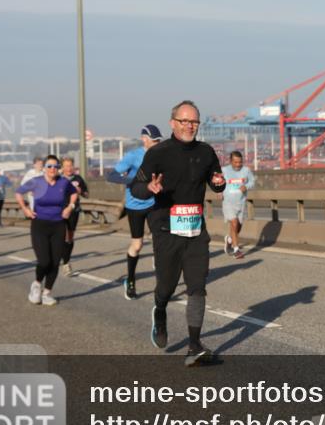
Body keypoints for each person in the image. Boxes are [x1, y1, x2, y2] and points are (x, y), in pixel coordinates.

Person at [130, 102, 226, 366]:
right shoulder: (158, 153)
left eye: (194, 122)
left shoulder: (206, 152)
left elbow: (216, 182)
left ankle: (194, 346)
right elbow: (136, 188)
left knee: (197, 286)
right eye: (184, 121)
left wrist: (219, 183)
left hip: (195, 228)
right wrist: (149, 187)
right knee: (167, 287)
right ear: (173, 122)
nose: (189, 126)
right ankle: (159, 310)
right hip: (165, 227)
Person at [14, 154, 78, 306]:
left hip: (58, 225)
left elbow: (74, 193)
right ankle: (36, 284)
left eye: (55, 166)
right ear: (44, 168)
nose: (52, 169)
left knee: (55, 262)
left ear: (59, 168)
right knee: (44, 261)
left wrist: (70, 206)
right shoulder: (36, 182)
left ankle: (47, 293)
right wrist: (25, 209)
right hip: (40, 225)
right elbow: (18, 192)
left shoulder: (64, 182)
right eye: (49, 166)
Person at [108, 124, 162, 299]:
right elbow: (111, 175)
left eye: (158, 140)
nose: (156, 143)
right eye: (154, 141)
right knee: (137, 245)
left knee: (160, 240)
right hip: (135, 205)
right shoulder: (133, 156)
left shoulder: (161, 156)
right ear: (144, 139)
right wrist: (134, 180)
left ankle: (162, 287)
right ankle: (130, 280)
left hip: (154, 203)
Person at [221, 150, 255, 259]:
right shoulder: (224, 170)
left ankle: (230, 239)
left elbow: (252, 181)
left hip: (241, 202)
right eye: (235, 162)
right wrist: (218, 191)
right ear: (230, 161)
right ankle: (236, 250)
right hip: (228, 202)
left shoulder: (246, 170)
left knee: (238, 226)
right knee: (234, 223)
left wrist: (247, 186)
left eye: (240, 162)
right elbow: (217, 182)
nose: (238, 165)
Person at [59, 157, 90, 276]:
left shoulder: (78, 179)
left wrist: (80, 191)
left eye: (71, 165)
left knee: (69, 237)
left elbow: (87, 194)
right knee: (61, 235)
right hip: (59, 210)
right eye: (66, 166)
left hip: (74, 210)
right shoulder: (58, 178)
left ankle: (66, 262)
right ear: (62, 167)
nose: (69, 168)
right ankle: (62, 260)